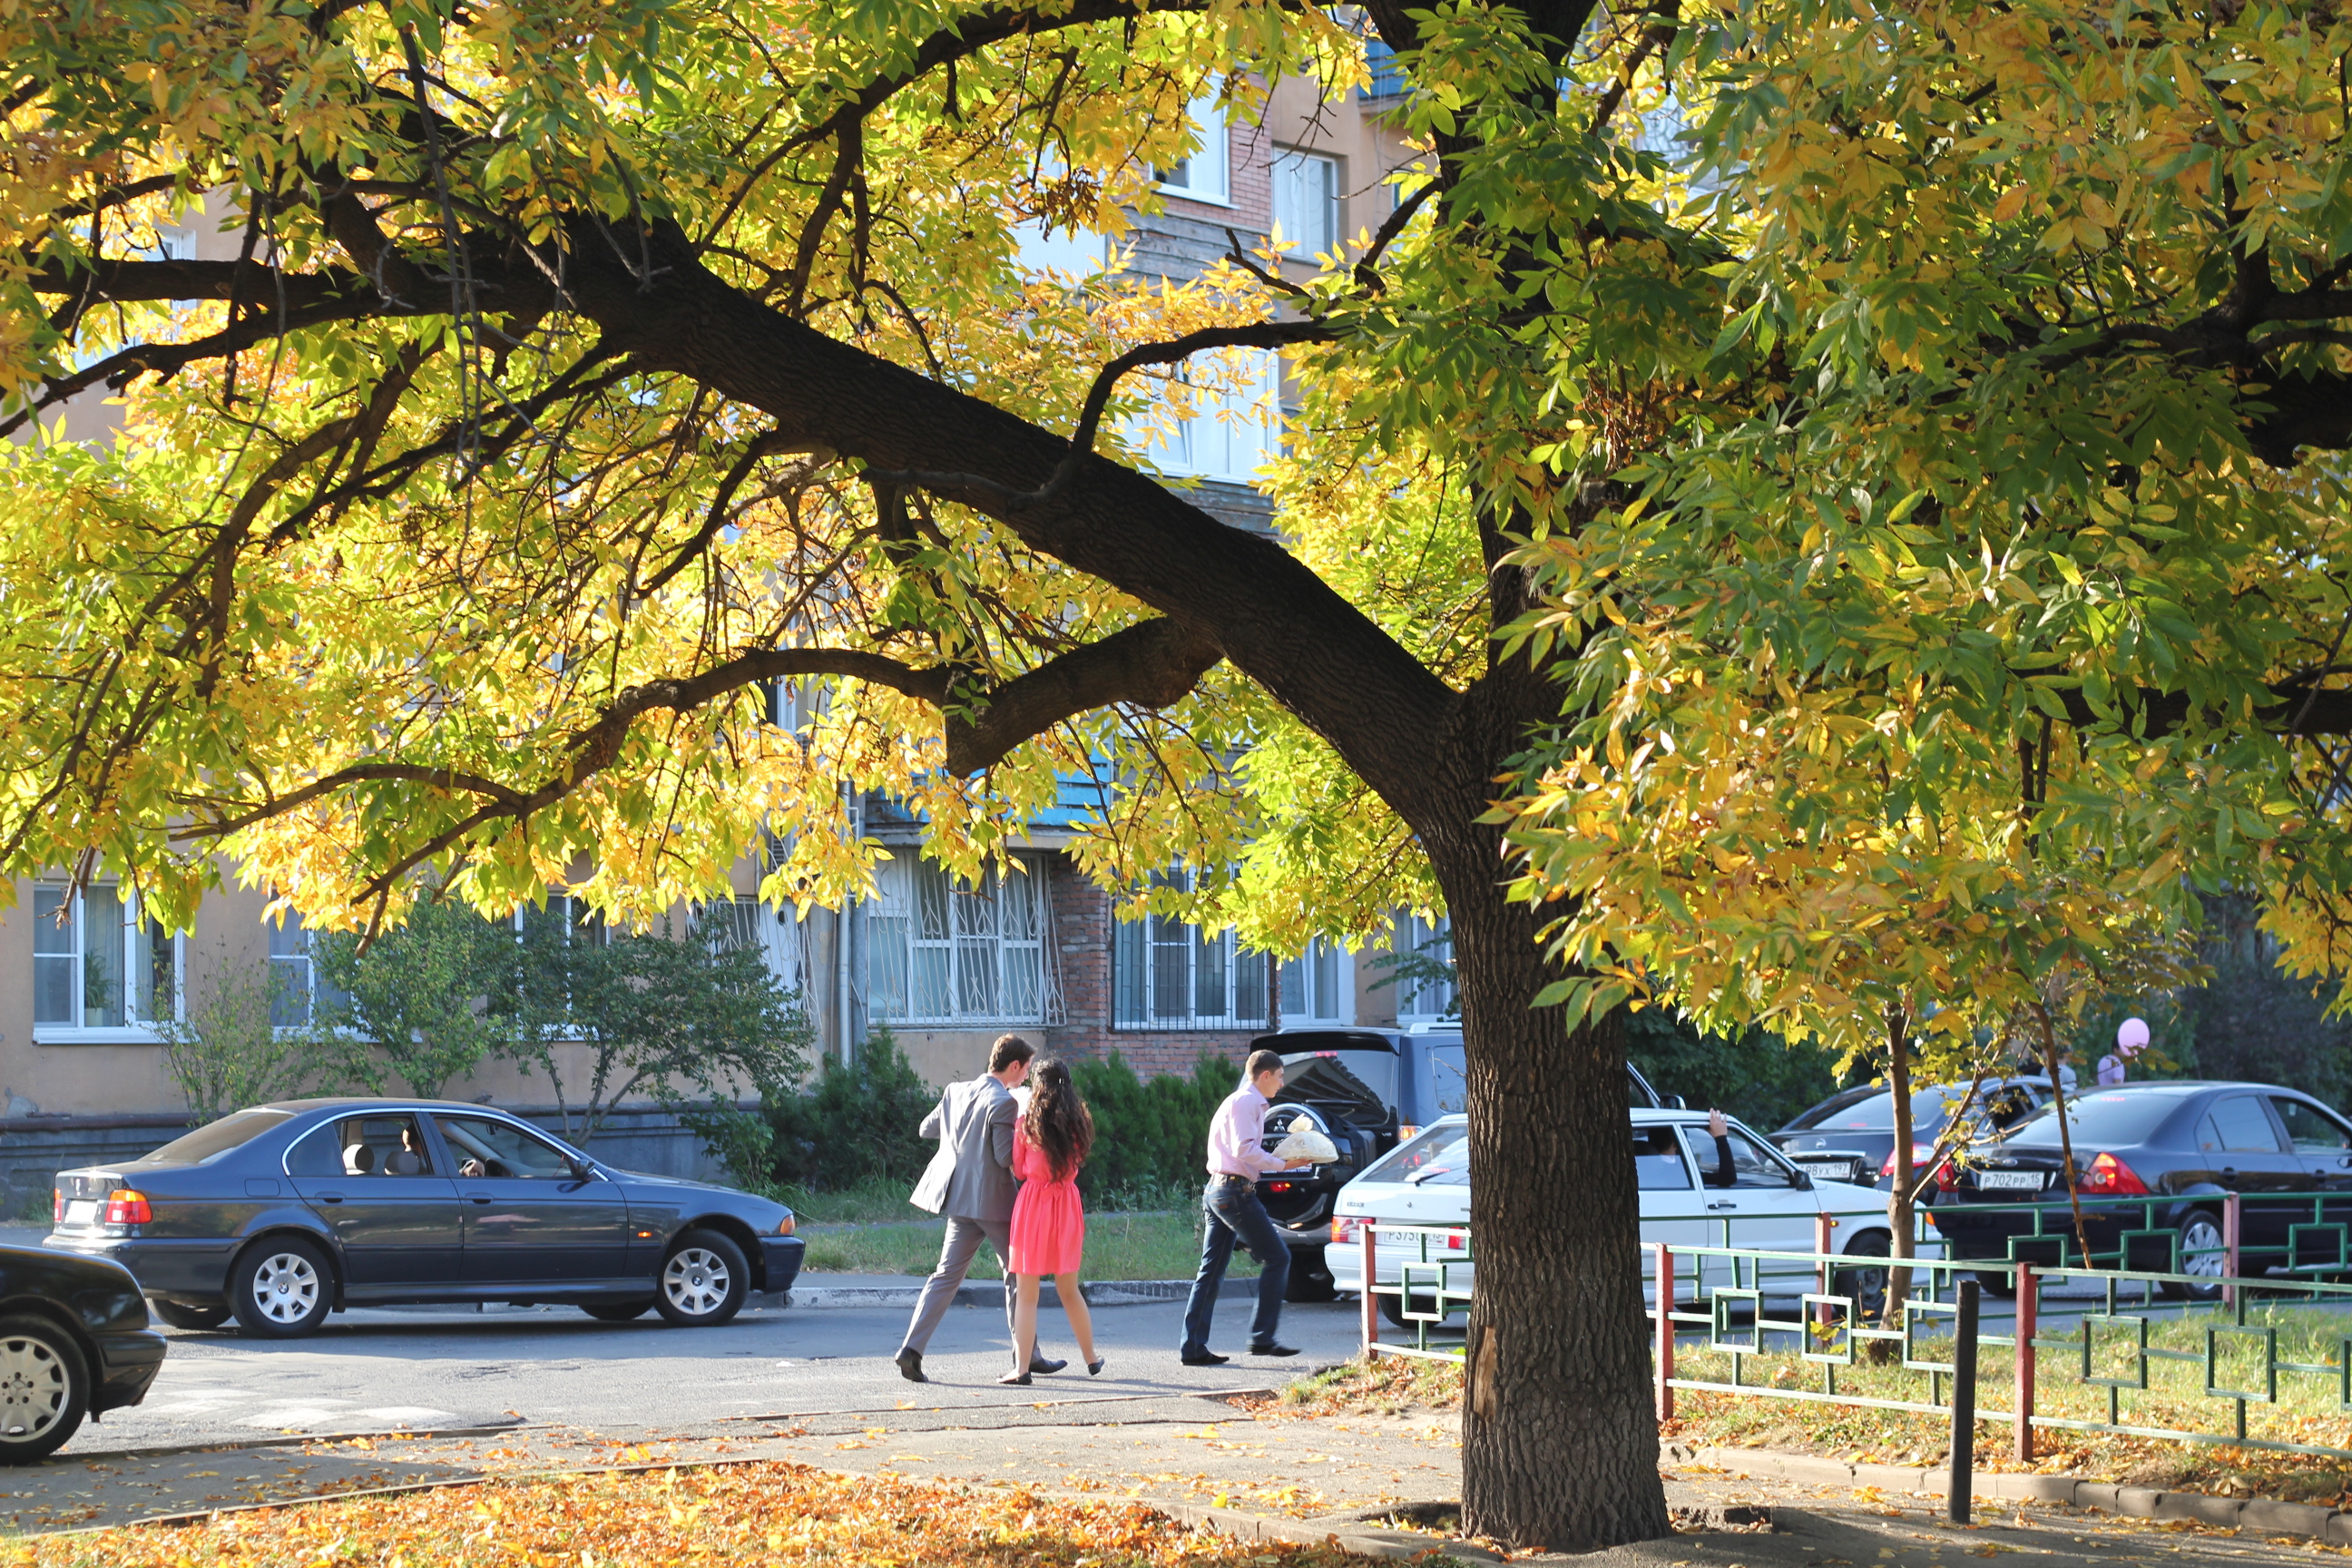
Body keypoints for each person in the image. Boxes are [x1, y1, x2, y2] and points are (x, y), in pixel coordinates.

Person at [895, 1034, 1063, 1384]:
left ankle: (911, 1349)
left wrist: (962, 1134)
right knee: (1018, 1276)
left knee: (945, 1276)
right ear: (1014, 1066)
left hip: (959, 1200)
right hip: (995, 1204)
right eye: (1027, 1069)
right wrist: (1025, 1128)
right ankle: (1027, 1357)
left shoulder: (955, 1092)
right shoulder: (1004, 1102)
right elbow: (1004, 1158)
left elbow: (926, 1129)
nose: (1027, 1076)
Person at [1179, 1049, 1311, 1366]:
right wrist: (1283, 1164)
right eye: (1279, 1077)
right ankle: (1262, 1338)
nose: (1281, 1084)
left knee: (1211, 1271)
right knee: (1278, 1257)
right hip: (1234, 1192)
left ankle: (1193, 1348)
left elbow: (1242, 1151)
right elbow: (1244, 1150)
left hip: (1221, 1189)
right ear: (1265, 1075)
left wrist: (1279, 1160)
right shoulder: (1248, 1102)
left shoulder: (1238, 1101)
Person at [1000, 1059, 1103, 1386]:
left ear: (1038, 1086)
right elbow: (1078, 1161)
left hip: (1034, 1203)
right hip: (1067, 1204)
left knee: (1027, 1294)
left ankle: (1022, 1369)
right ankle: (1091, 1358)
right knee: (1069, 1289)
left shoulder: (1026, 1124)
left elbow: (1019, 1170)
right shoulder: (1079, 1123)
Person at [2099, 1017, 2149, 1086]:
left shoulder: (2103, 1060)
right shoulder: (2118, 1064)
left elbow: (2098, 1081)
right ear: (2115, 1049)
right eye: (2122, 1047)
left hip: (2101, 1092)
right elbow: (2118, 1085)